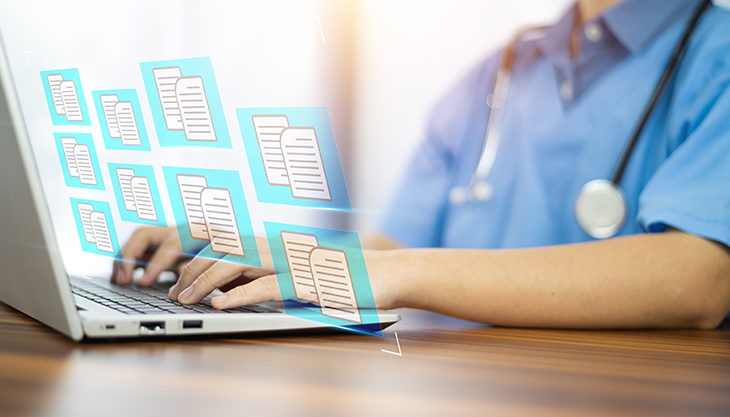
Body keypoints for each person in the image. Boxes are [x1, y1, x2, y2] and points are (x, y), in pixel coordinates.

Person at [113, 0, 730, 329]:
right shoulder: (500, 72)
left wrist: (397, 272)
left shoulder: (717, 59)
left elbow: (701, 277)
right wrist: (268, 254)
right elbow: (390, 247)